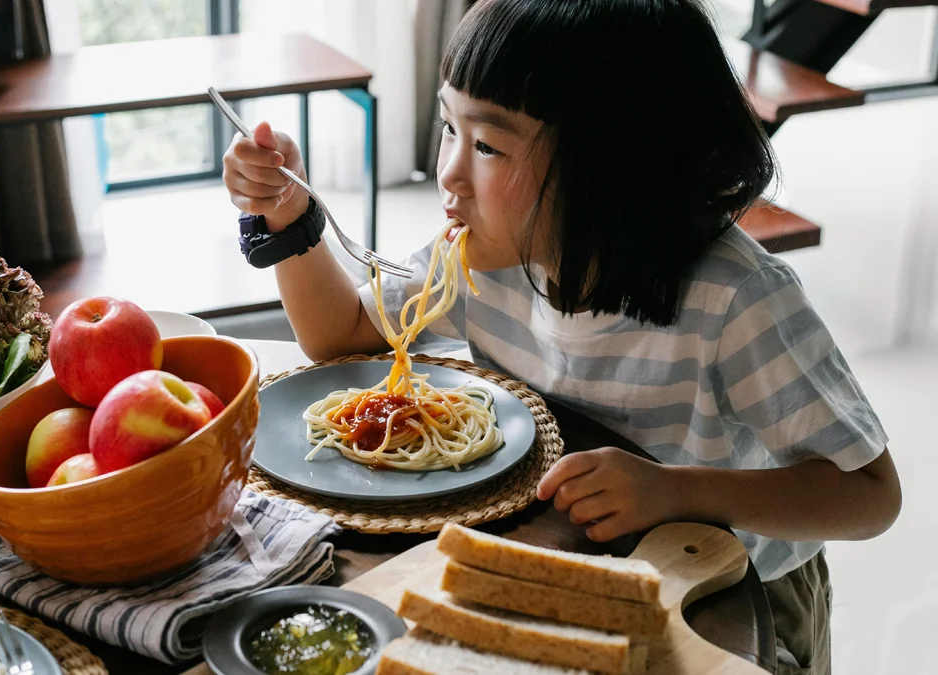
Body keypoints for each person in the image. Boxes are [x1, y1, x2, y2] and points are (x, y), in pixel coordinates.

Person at [222, 1, 901, 672]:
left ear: (611, 166)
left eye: (487, 145)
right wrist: (287, 220)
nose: (449, 174)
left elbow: (868, 492)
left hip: (727, 585)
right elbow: (342, 338)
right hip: (563, 554)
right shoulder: (482, 253)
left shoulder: (736, 300)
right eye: (448, 127)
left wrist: (676, 489)